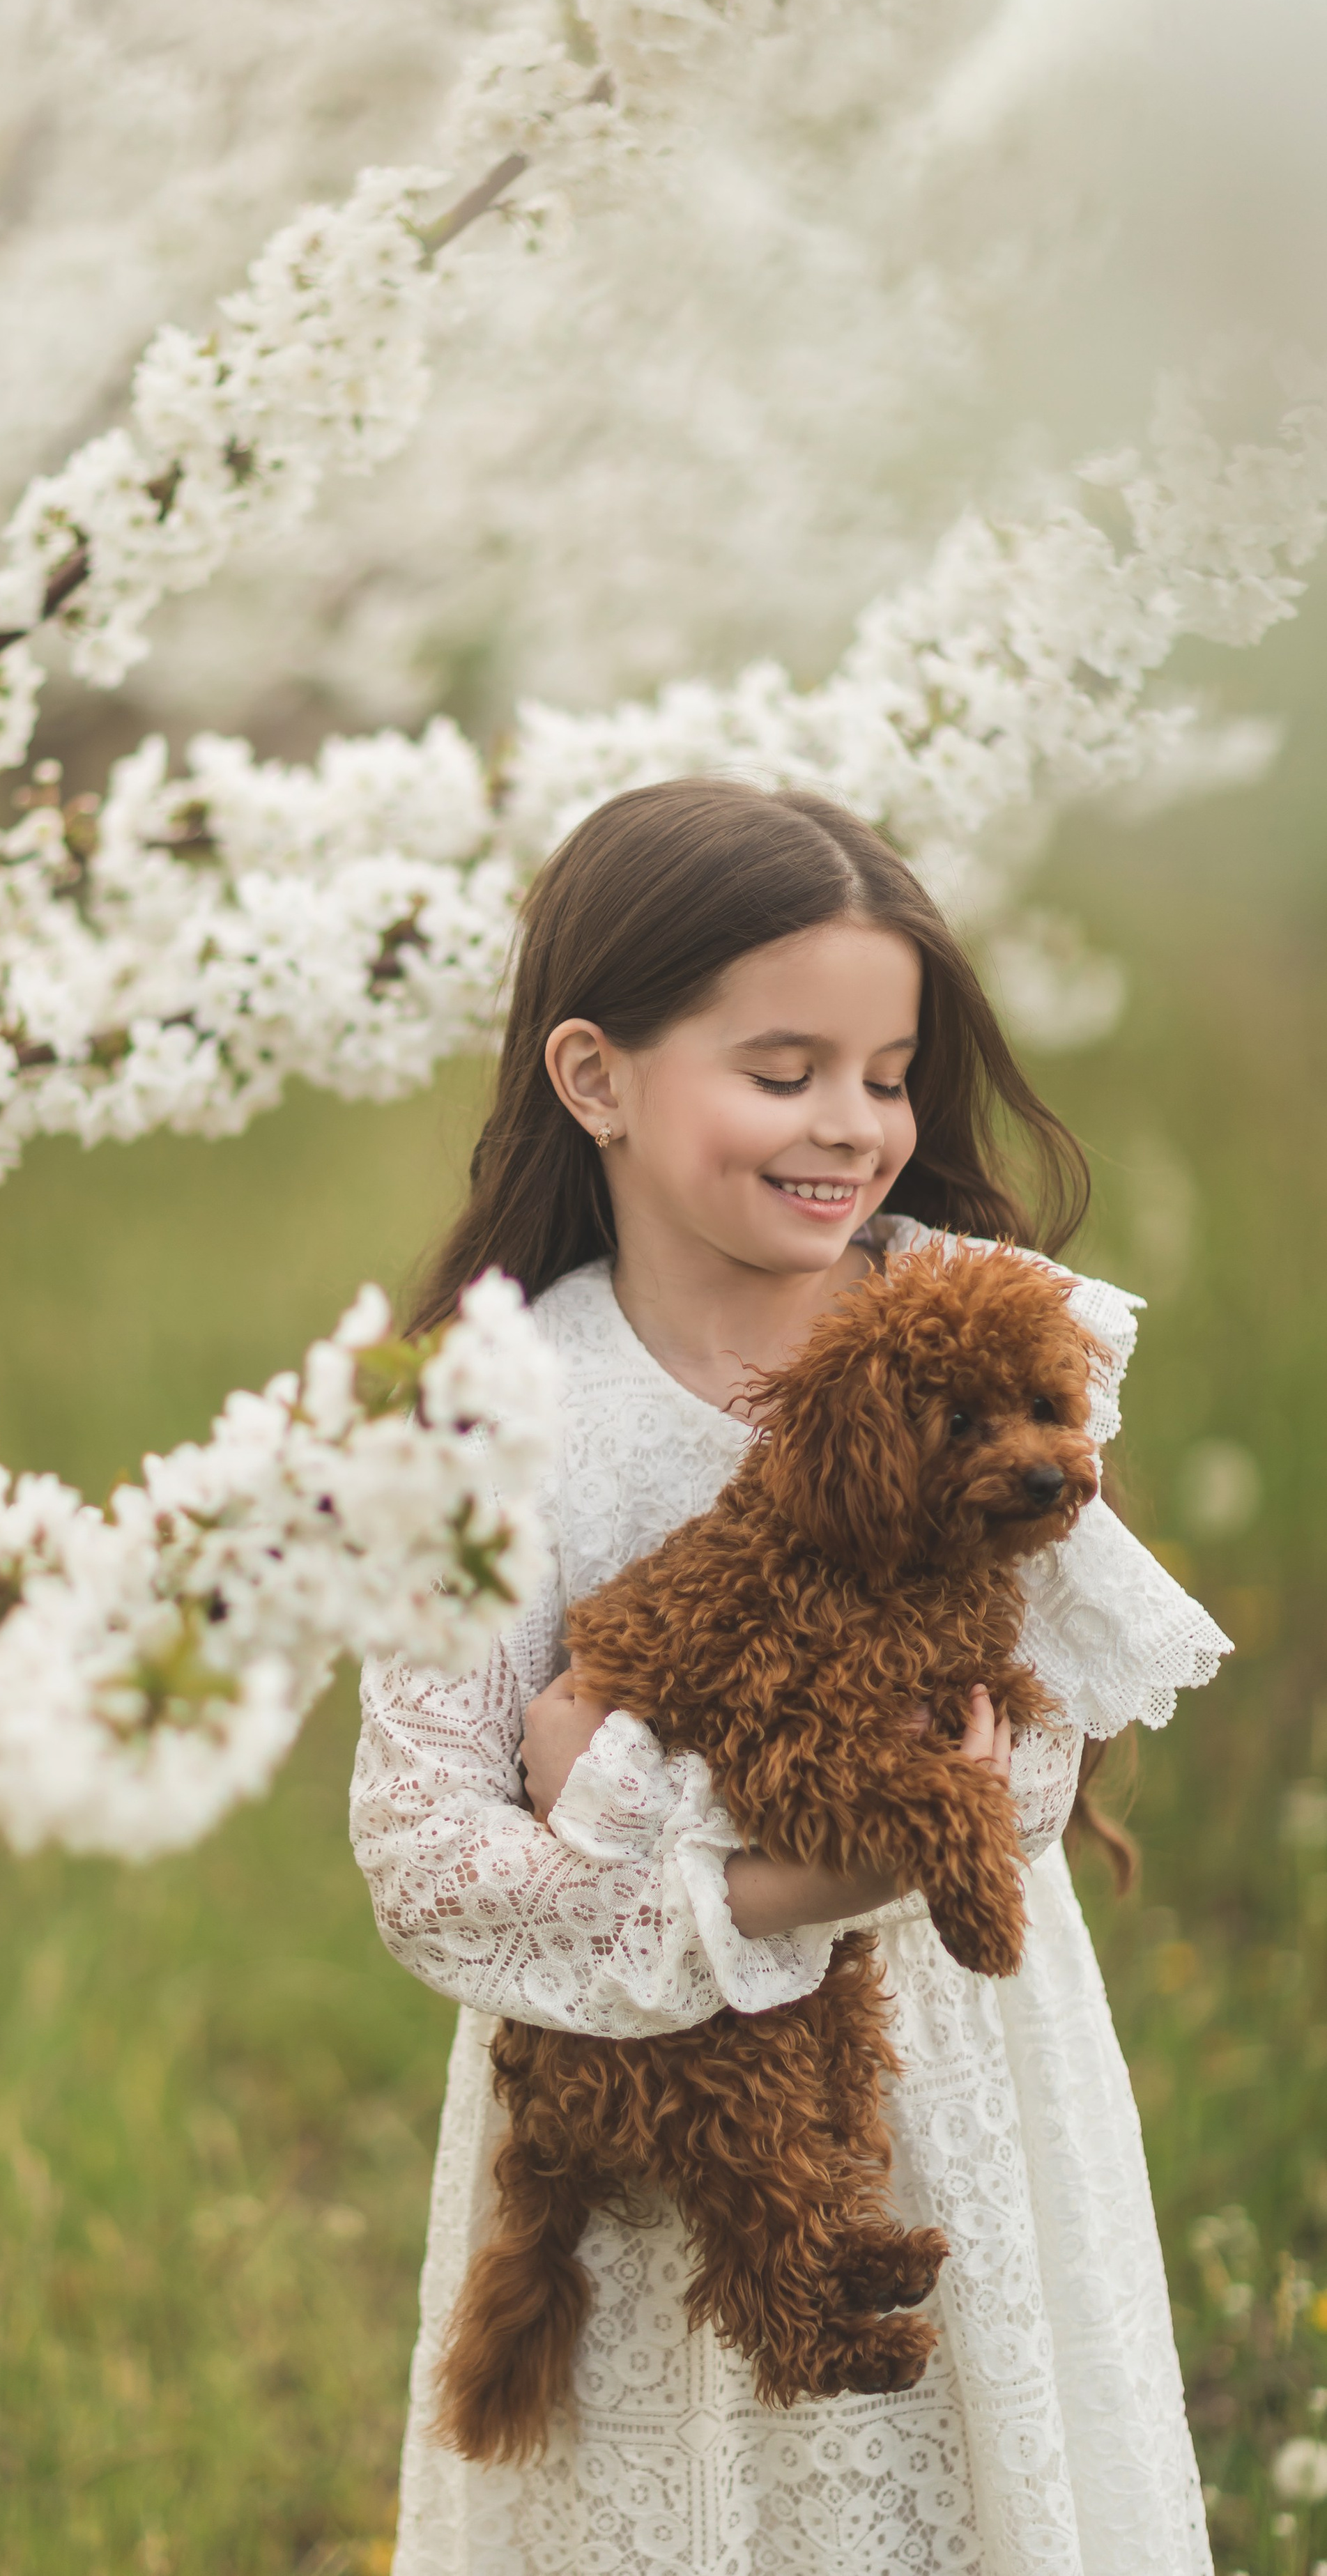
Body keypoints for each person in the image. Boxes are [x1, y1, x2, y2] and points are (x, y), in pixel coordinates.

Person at [349, 778, 1229, 2576]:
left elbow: (1024, 1748)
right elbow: (430, 1865)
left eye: (889, 1073)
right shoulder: (497, 1408)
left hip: (963, 2075)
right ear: (593, 1075)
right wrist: (759, 1886)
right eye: (784, 1070)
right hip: (633, 2074)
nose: (854, 1125)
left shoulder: (987, 1323)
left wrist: (616, 1776)